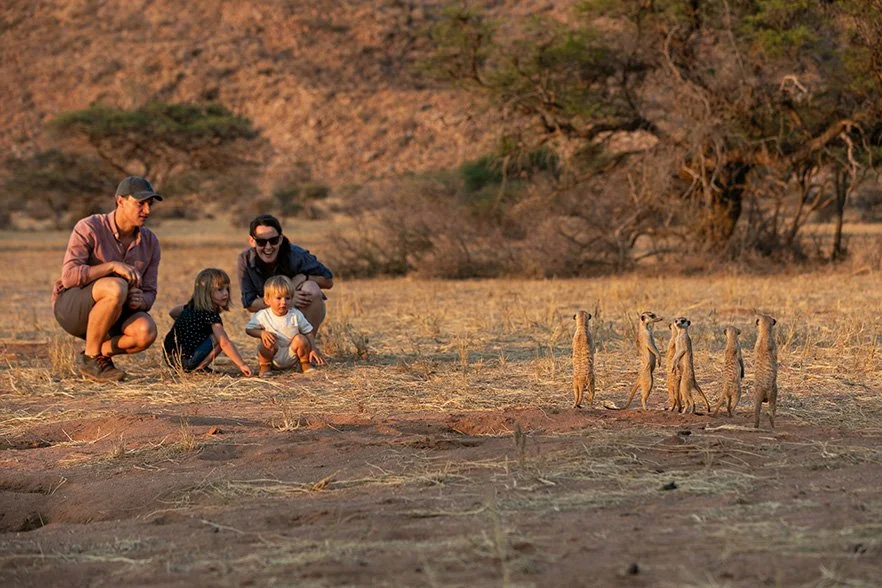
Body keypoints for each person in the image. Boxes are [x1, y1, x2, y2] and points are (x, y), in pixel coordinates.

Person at [52, 176, 162, 381]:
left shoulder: (151, 241)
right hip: (73, 309)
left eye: (150, 204)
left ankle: (93, 355)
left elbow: (150, 291)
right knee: (116, 286)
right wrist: (112, 266)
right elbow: (68, 277)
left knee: (145, 332)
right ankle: (92, 359)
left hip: (116, 313)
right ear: (120, 201)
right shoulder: (89, 227)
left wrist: (141, 301)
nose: (147, 210)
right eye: (140, 203)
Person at [236, 214, 333, 333]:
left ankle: (309, 339)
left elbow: (328, 281)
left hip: (301, 309)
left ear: (281, 239)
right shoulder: (245, 260)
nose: (268, 247)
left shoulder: (297, 255)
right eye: (261, 242)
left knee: (311, 288)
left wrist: (304, 277)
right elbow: (250, 304)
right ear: (252, 241)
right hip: (269, 312)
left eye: (273, 241)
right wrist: (287, 301)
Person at [163, 268, 253, 376]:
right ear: (206, 293)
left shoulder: (191, 306)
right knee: (218, 338)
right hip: (187, 361)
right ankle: (199, 368)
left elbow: (173, 312)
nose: (225, 293)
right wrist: (242, 364)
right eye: (220, 290)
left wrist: (188, 325)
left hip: (170, 359)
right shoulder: (210, 314)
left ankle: (192, 366)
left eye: (227, 289)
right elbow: (224, 343)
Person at [245, 275, 326, 376]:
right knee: (266, 343)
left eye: (287, 298)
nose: (283, 302)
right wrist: (261, 333)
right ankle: (265, 367)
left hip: (292, 353)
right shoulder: (263, 315)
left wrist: (313, 349)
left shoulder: (295, 314)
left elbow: (308, 332)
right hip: (273, 356)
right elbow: (249, 329)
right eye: (278, 298)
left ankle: (305, 364)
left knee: (300, 338)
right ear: (267, 300)